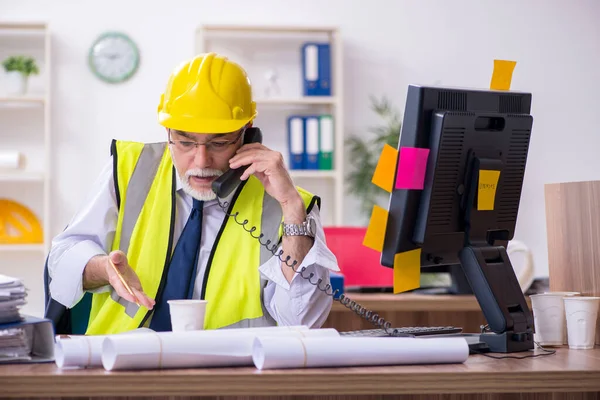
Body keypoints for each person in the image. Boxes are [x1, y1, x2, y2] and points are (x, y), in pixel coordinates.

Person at [47, 52, 339, 335]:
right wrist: (103, 269)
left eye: (219, 143)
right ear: (168, 130)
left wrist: (290, 207)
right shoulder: (129, 168)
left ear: (247, 133)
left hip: (232, 373)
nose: (201, 162)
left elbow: (303, 321)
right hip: (121, 365)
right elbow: (62, 258)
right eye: (185, 142)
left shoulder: (288, 205)